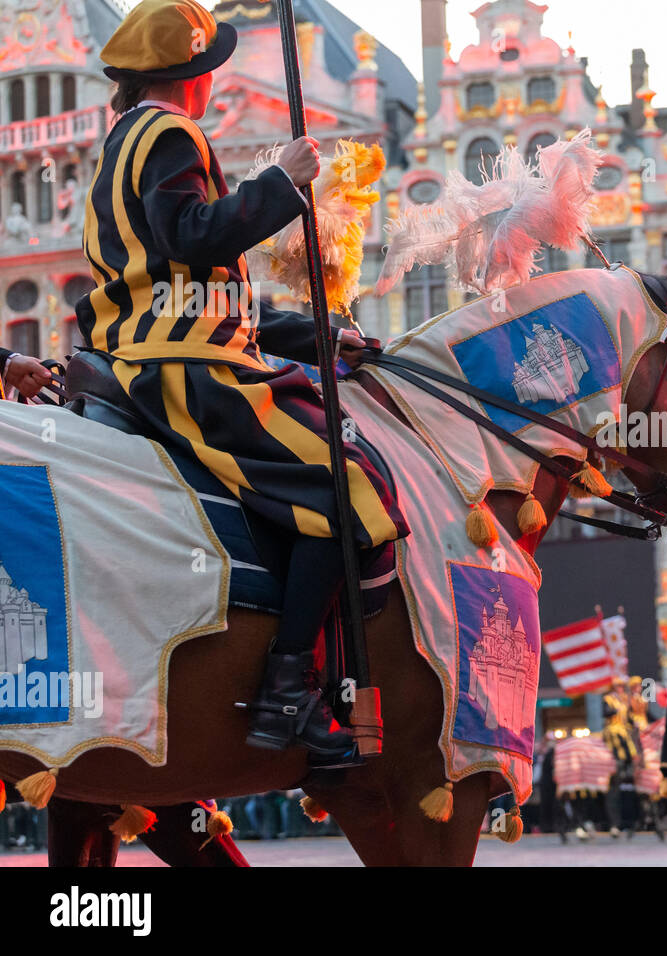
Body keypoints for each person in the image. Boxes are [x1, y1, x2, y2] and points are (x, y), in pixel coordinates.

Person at [81, 0, 409, 767]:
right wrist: (280, 184)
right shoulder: (167, 131)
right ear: (190, 76)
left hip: (160, 346)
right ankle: (286, 694)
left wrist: (321, 336)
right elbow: (191, 236)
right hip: (185, 372)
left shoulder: (117, 145)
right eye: (208, 67)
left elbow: (196, 289)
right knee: (345, 485)